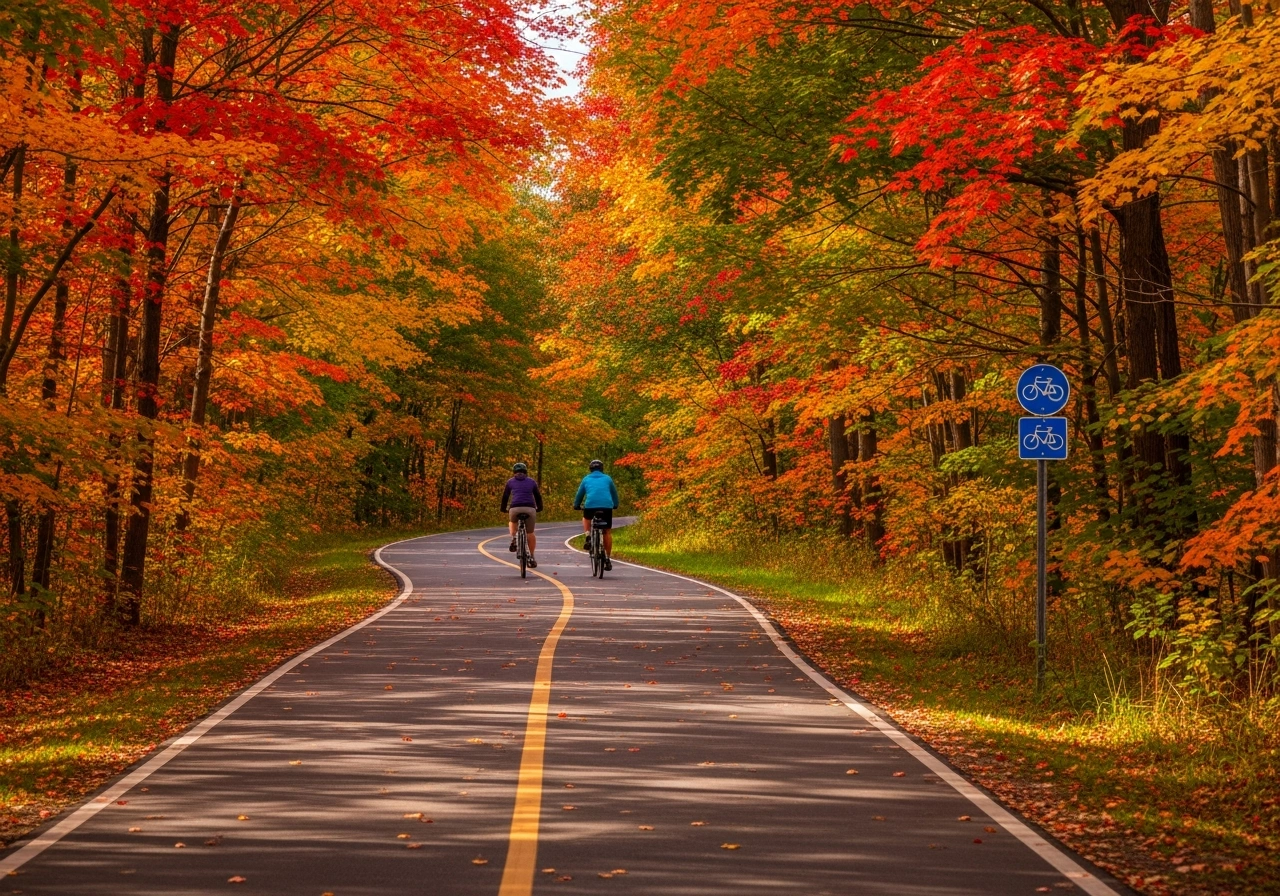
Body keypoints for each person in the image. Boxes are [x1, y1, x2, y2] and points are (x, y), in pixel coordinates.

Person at [573, 459, 619, 570]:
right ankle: (607, 559)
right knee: (607, 531)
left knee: (586, 517)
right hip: (606, 507)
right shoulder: (608, 479)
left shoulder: (586, 479)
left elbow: (580, 494)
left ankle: (588, 536)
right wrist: (615, 504)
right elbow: (614, 493)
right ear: (602, 469)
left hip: (590, 506)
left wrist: (576, 505)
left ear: (590, 469)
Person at [501, 462, 544, 568]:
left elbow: (505, 497)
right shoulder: (532, 482)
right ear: (526, 472)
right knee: (530, 532)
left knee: (512, 521)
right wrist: (539, 508)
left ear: (514, 472)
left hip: (515, 508)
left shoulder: (510, 482)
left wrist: (503, 508)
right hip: (530, 508)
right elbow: (538, 496)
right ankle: (532, 556)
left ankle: (514, 538)